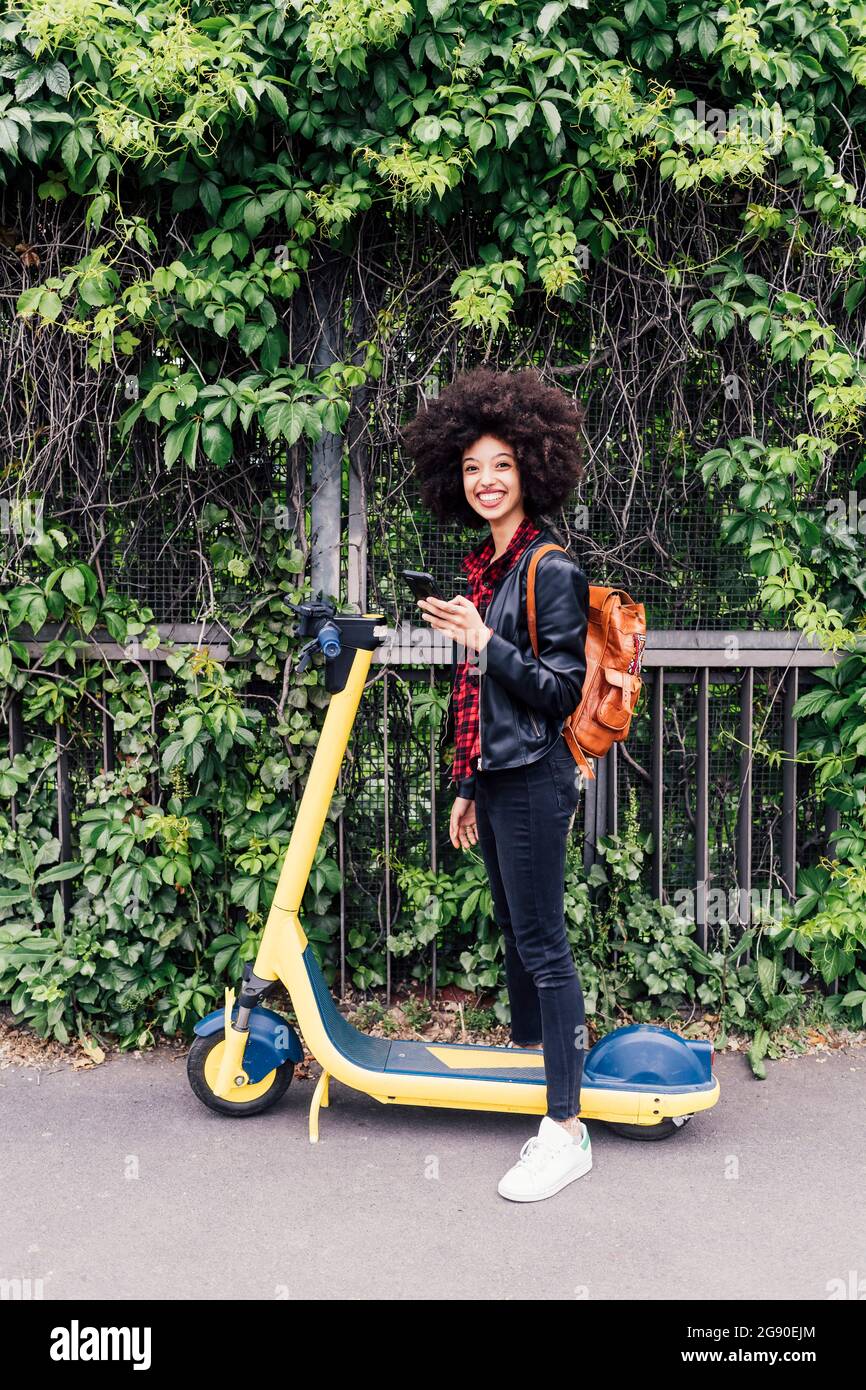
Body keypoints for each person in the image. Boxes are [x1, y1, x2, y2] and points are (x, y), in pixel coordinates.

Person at [400, 365, 592, 1202]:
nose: (486, 481)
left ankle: (566, 1130)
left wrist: (484, 638)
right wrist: (467, 784)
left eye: (502, 467)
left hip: (540, 779)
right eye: (474, 467)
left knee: (543, 943)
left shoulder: (550, 569)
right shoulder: (486, 566)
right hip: (499, 779)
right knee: (518, 932)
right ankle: (535, 1066)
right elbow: (478, 698)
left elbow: (557, 692)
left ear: (532, 471)